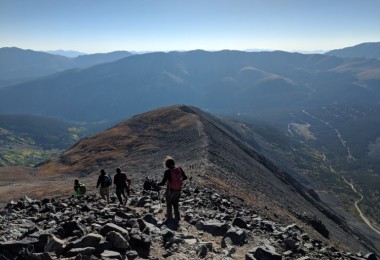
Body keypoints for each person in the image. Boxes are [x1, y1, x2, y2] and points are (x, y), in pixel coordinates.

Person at [158, 156, 187, 221]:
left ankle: (169, 218)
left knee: (169, 203)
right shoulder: (179, 169)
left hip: (170, 190)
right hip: (179, 189)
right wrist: (178, 181)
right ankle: (177, 217)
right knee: (175, 203)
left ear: (167, 165)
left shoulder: (167, 172)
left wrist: (157, 184)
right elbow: (185, 177)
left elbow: (163, 183)